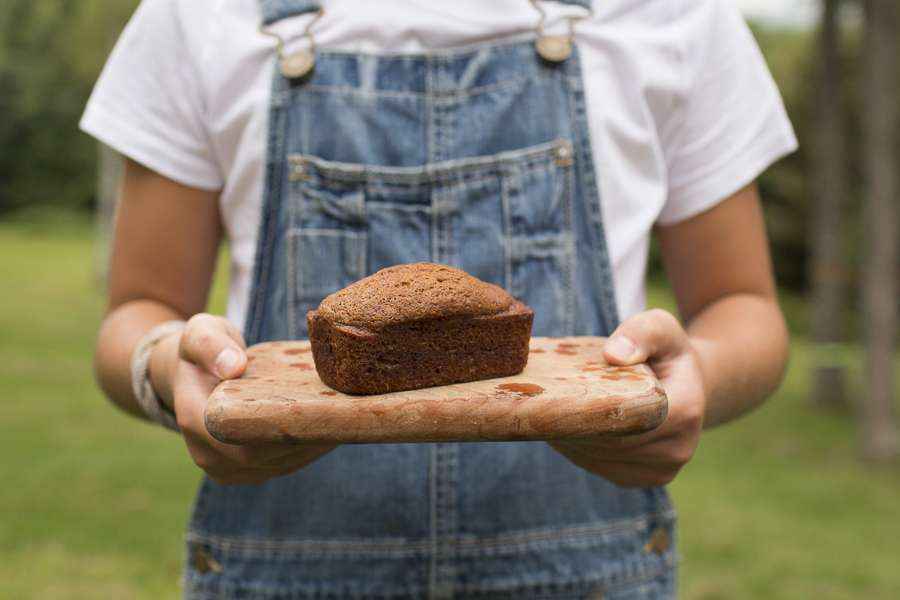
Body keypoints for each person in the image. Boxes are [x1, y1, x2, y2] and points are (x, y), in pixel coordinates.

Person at [82, 0, 796, 597]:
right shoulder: (198, 14)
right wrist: (166, 365)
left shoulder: (673, 13)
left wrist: (695, 378)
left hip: (591, 574)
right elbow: (137, 311)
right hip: (280, 569)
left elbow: (743, 305)